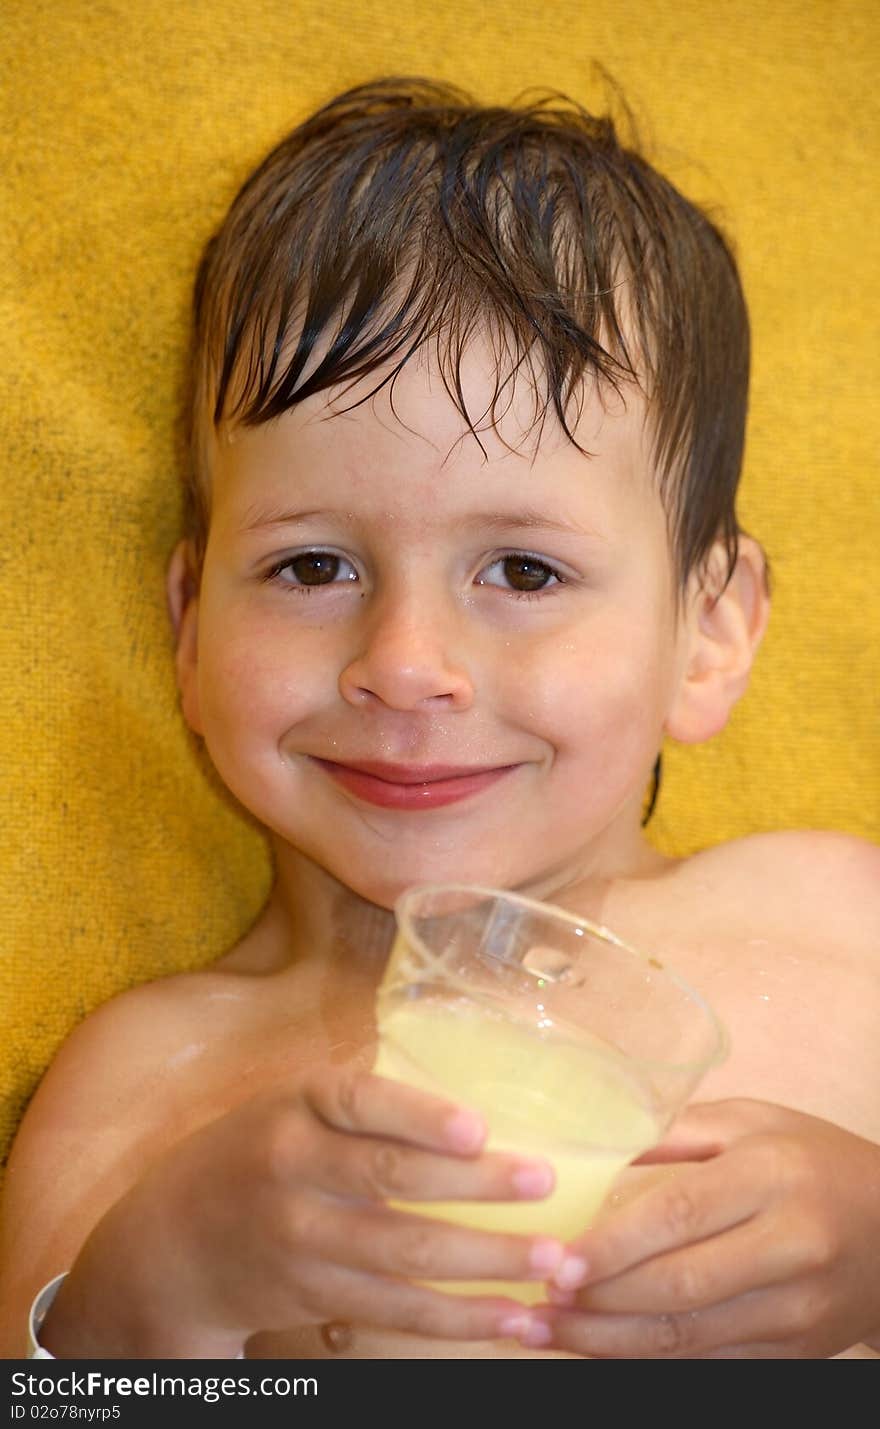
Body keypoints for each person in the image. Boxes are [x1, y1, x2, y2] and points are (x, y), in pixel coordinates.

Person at [1, 77, 878, 1362]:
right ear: (189, 626)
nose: (404, 668)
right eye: (312, 567)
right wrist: (151, 1289)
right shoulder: (146, 1082)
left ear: (710, 629)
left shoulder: (834, 921)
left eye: (523, 571)